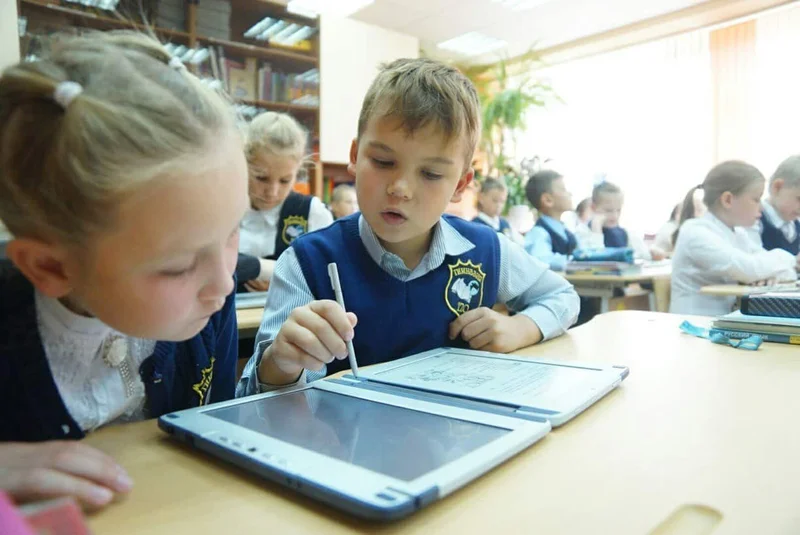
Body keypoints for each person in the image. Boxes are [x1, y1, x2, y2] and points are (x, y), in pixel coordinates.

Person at [0, 32, 247, 509]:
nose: (223, 283)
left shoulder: (210, 305)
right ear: (51, 265)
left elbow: (217, 431)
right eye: (178, 267)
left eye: (234, 230)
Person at [237, 58, 579, 395]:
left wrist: (521, 328)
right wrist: (281, 364)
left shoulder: (485, 249)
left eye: (431, 173)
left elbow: (562, 296)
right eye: (383, 161)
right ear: (355, 156)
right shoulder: (306, 261)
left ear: (460, 185)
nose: (400, 188)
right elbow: (260, 399)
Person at [670, 161, 799, 316]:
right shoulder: (695, 232)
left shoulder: (739, 233)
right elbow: (749, 269)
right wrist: (790, 260)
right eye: (756, 199)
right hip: (692, 323)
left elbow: (782, 272)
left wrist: (770, 274)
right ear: (728, 200)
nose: (761, 207)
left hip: (724, 320)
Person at [237, 111, 333, 292]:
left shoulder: (313, 213)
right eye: (261, 178)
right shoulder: (225, 208)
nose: (272, 192)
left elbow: (330, 276)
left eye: (285, 181)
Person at [576, 181, 666, 260]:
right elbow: (596, 257)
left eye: (618, 210)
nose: (615, 216)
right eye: (608, 210)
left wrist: (653, 253)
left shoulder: (623, 233)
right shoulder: (583, 231)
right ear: (593, 208)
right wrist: (596, 230)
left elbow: (642, 254)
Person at [523, 170, 576, 271]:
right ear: (548, 200)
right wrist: (574, 261)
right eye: (564, 189)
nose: (570, 193)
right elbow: (542, 260)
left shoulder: (566, 231)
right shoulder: (539, 232)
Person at [748, 155, 800, 254]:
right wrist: (793, 260)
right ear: (777, 187)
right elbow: (754, 258)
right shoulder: (753, 221)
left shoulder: (797, 225)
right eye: (799, 199)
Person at [471, 178, 523, 244]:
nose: (499, 205)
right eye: (495, 200)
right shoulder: (475, 226)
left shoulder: (504, 224)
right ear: (481, 198)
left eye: (502, 202)